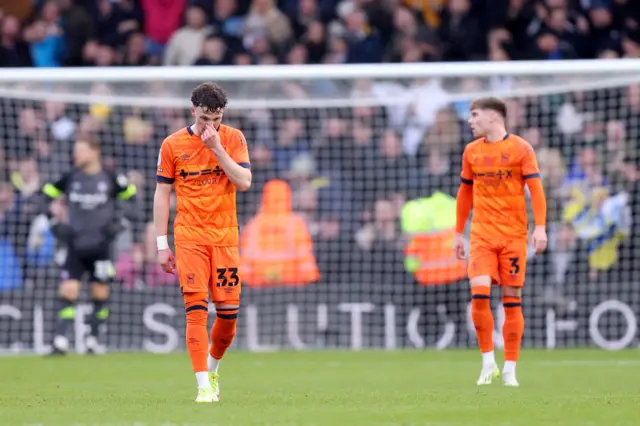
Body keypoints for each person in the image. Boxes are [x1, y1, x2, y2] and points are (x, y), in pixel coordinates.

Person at [154, 82, 251, 403]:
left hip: (225, 239)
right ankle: (203, 387)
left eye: (217, 119)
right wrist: (160, 243)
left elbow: (245, 182)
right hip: (190, 238)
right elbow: (162, 193)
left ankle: (213, 369)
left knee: (228, 318)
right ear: (193, 109)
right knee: (195, 312)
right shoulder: (172, 144)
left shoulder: (233, 139)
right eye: (206, 118)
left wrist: (217, 148)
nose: (211, 125)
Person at [454, 97, 547, 387]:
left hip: (513, 237)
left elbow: (536, 189)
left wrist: (540, 227)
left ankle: (510, 369)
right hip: (481, 236)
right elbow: (465, 193)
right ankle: (487, 363)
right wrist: (459, 232)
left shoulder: (521, 148)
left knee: (511, 303)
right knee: (478, 296)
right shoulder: (471, 151)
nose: (470, 121)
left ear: (493, 117)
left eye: (474, 115)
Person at [43, 136, 138, 355]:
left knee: (100, 293)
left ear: (95, 152)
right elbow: (43, 196)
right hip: (75, 245)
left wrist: (119, 224)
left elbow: (133, 201)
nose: (76, 154)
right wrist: (53, 222)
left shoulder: (111, 178)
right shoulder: (70, 177)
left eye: (80, 150)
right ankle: (60, 341)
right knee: (68, 290)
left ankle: (93, 340)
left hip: (101, 247)